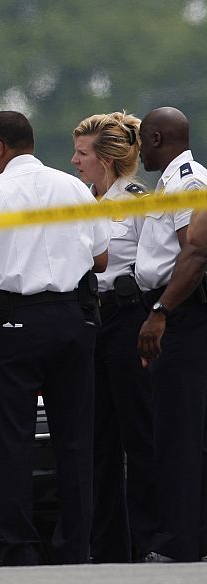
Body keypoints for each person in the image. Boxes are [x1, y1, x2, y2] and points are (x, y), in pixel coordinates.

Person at [0, 111, 110, 565]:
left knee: (13, 438)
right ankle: (76, 547)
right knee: (76, 440)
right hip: (74, 321)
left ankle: (18, 548)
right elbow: (100, 259)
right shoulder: (74, 187)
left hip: (15, 323)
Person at [70, 112, 156, 562]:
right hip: (91, 324)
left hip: (128, 321)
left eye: (83, 153)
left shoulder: (138, 200)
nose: (74, 161)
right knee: (97, 441)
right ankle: (106, 551)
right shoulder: (81, 201)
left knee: (139, 437)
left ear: (105, 159)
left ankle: (150, 544)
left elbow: (159, 264)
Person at [134, 106, 207, 563]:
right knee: (180, 432)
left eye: (143, 139)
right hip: (177, 313)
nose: (139, 148)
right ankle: (188, 538)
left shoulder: (189, 183)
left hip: (182, 314)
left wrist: (161, 311)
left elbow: (196, 253)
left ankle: (179, 544)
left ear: (158, 137)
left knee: (180, 436)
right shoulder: (174, 181)